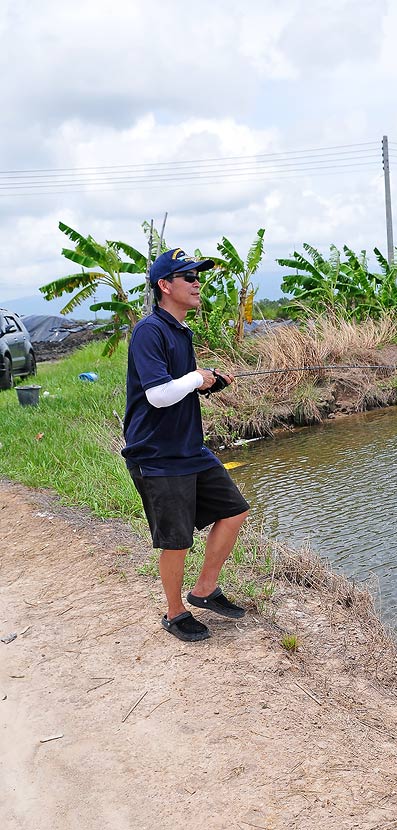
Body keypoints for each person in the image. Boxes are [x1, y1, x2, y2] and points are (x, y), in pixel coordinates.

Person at [122, 247, 250, 642]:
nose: (197, 283)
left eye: (198, 276)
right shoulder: (149, 331)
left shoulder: (180, 330)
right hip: (157, 454)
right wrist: (198, 378)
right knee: (176, 540)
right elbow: (159, 395)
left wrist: (208, 381)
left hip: (190, 448)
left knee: (234, 511)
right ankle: (175, 613)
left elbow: (178, 386)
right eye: (188, 277)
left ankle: (205, 589)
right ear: (165, 285)